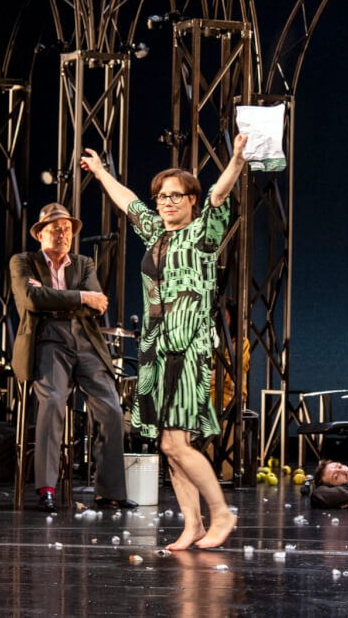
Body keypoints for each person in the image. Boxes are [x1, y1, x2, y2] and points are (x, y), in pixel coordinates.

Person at [80, 134, 249, 550]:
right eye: (162, 196)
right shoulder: (156, 234)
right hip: (156, 348)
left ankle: (221, 513)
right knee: (169, 445)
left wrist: (236, 161)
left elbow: (219, 194)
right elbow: (129, 202)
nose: (166, 202)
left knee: (176, 441)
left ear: (191, 200)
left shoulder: (203, 234)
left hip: (188, 347)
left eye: (176, 196)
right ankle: (193, 524)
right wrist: (101, 173)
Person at [10, 202, 129, 512]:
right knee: (52, 402)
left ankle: (110, 492)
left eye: (67, 229)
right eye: (55, 229)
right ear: (40, 234)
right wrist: (80, 297)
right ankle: (46, 488)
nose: (63, 234)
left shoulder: (84, 263)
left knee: (112, 410)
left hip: (86, 340)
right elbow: (31, 299)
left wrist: (60, 299)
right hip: (49, 339)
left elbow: (97, 304)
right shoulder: (23, 262)